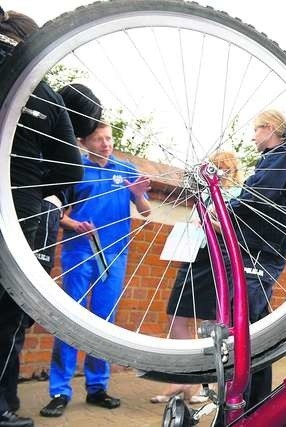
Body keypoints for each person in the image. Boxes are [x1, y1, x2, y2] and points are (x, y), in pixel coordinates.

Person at [155, 110, 286, 408]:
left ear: (270, 128)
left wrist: (224, 210)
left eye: (256, 129)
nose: (252, 136)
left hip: (261, 253)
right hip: (256, 249)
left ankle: (243, 405)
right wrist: (225, 222)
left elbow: (255, 198)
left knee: (245, 328)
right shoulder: (275, 159)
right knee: (252, 328)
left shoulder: (281, 157)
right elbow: (256, 207)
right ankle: (252, 404)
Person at [0, 9, 83, 427]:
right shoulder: (42, 89)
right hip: (21, 211)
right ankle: (2, 404)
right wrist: (31, 181)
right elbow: (70, 169)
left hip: (26, 207)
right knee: (7, 312)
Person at [40, 121, 152, 417]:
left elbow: (146, 212)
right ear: (84, 142)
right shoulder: (75, 169)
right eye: (99, 139)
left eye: (109, 138)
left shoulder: (126, 169)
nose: (106, 144)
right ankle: (60, 390)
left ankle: (97, 387)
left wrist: (139, 194)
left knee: (104, 322)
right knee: (70, 320)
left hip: (115, 255)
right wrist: (74, 224)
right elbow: (58, 213)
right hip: (80, 251)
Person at [151, 150, 243, 404]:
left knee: (210, 323)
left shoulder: (236, 197)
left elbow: (231, 231)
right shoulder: (204, 195)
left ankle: (207, 382)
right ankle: (183, 378)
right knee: (176, 316)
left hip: (215, 259)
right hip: (193, 256)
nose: (215, 172)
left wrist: (206, 222)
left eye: (219, 167)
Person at [33, 83, 103, 275]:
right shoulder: (54, 148)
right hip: (42, 212)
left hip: (47, 213)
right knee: (32, 276)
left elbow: (61, 205)